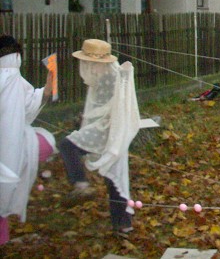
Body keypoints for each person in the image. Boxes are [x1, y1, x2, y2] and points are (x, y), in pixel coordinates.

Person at [58, 39, 140, 236]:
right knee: (114, 177)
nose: (87, 68)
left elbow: (112, 108)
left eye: (89, 63)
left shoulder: (110, 78)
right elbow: (101, 106)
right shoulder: (107, 77)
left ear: (97, 63)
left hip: (109, 132)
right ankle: (122, 224)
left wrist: (94, 124)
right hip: (108, 131)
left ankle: (80, 183)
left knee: (67, 145)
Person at [0, 35, 57, 246]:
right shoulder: (12, 78)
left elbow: (30, 101)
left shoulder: (15, 79)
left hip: (13, 151)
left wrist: (49, 85)